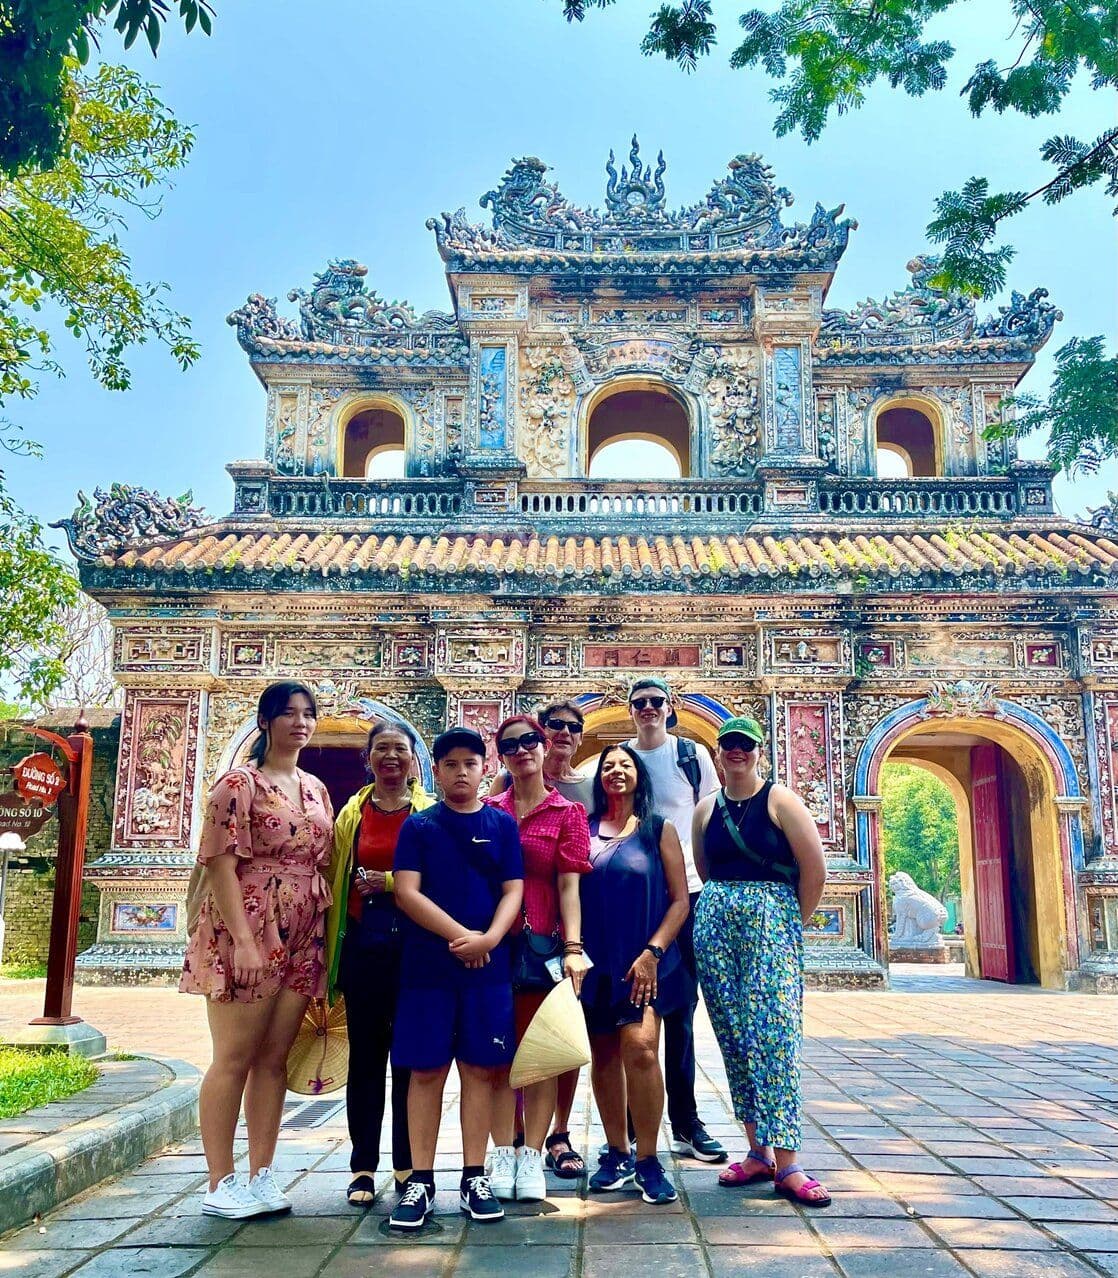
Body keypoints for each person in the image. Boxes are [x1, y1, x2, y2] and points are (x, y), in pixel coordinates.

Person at [181, 681, 334, 1220]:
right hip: (247, 925)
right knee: (234, 1057)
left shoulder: (314, 788)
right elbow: (220, 863)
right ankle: (219, 1180)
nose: (300, 722)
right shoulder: (237, 784)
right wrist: (243, 940)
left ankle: (262, 1173)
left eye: (308, 713)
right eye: (288, 713)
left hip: (303, 928)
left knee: (273, 1059)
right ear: (265, 721)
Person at [387, 727, 524, 1232]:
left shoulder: (501, 825)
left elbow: (514, 889)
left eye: (471, 763)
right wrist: (461, 936)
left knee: (481, 1069)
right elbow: (406, 891)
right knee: (424, 1072)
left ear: (484, 768)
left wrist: (488, 938)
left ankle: (473, 1173)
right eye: (451, 764)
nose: (461, 772)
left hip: (489, 969)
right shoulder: (419, 827)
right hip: (428, 967)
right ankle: (420, 1178)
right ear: (436, 771)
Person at [692, 716, 831, 1207]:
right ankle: (757, 1151)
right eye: (728, 744)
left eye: (745, 745)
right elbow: (706, 870)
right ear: (717, 752)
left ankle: (789, 1161)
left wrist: (787, 922)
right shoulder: (705, 810)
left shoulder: (780, 800)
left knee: (775, 1035)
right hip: (715, 925)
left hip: (770, 924)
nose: (736, 752)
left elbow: (814, 869)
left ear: (759, 751)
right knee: (733, 1034)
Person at [325, 719, 435, 1206]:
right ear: (367, 758)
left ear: (414, 760)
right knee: (366, 1058)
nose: (391, 758)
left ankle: (408, 1163)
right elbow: (333, 875)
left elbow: (440, 878)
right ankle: (362, 1166)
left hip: (416, 946)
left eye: (400, 750)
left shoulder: (430, 814)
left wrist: (389, 882)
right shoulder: (352, 814)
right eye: (381, 749)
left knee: (410, 1059)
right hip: (365, 947)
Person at [485, 714, 591, 1201]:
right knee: (496, 1053)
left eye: (531, 741)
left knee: (541, 1054)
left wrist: (574, 948)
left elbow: (569, 885)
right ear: (502, 755)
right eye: (512, 745)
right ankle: (503, 1148)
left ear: (546, 748)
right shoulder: (488, 810)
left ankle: (532, 1155)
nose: (523, 750)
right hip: (493, 946)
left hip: (543, 944)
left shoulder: (566, 812)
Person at [580, 745, 690, 1206]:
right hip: (593, 961)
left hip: (644, 962)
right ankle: (617, 1151)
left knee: (640, 1050)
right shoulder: (581, 828)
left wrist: (653, 952)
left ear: (639, 776)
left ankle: (648, 1157)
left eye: (625, 765)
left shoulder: (657, 830)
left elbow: (681, 900)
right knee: (604, 1056)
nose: (616, 772)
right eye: (608, 766)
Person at [625, 676, 726, 1164]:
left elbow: (711, 814)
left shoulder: (692, 756)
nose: (647, 709)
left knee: (680, 1014)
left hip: (688, 894)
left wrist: (714, 878)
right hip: (635, 899)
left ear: (670, 708)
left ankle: (686, 1121)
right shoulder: (620, 760)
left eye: (655, 702)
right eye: (639, 703)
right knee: (628, 1014)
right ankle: (626, 1123)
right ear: (629, 711)